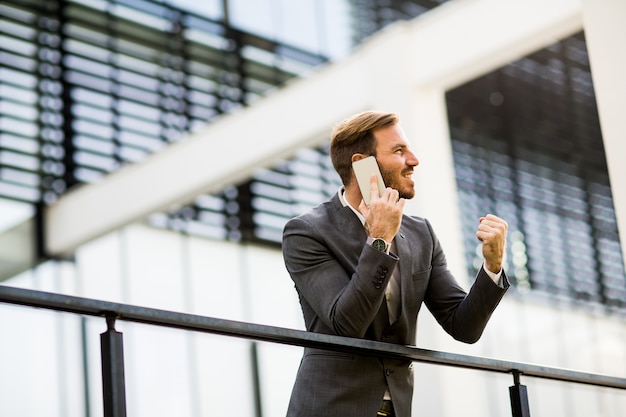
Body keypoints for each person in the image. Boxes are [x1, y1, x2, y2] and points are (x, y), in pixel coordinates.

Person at [281, 110, 510, 417]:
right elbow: (346, 324)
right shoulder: (307, 231)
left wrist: (492, 266)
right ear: (362, 164)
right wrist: (379, 240)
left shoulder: (421, 233)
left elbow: (463, 326)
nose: (414, 160)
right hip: (329, 407)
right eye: (399, 151)